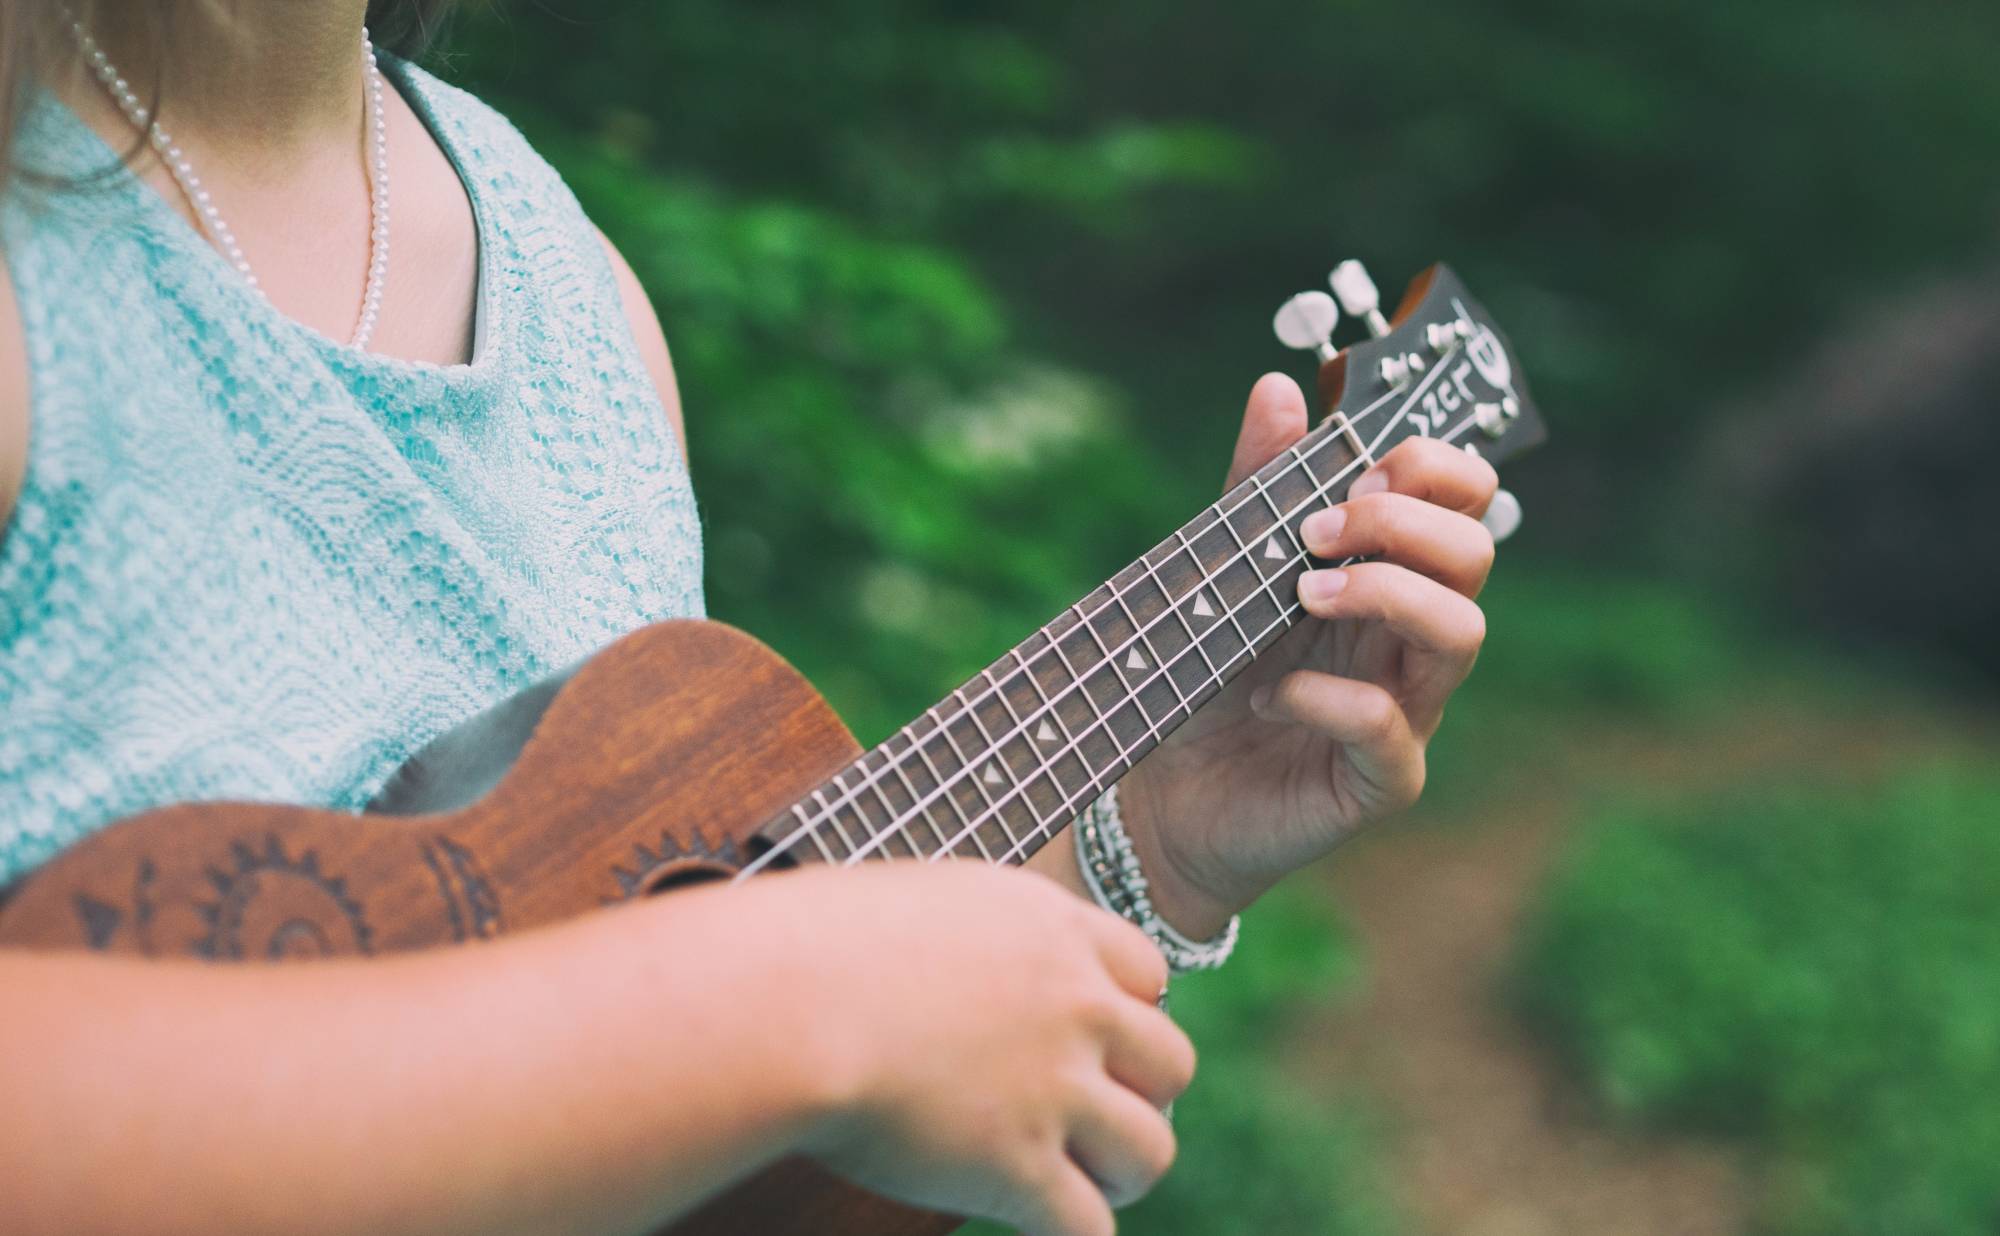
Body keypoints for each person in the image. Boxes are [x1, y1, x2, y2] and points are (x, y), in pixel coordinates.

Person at [0, 3, 1500, 1234]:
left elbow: (686, 1132)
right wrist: (773, 1007)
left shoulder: (577, 295)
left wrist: (1147, 842)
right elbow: (729, 1013)